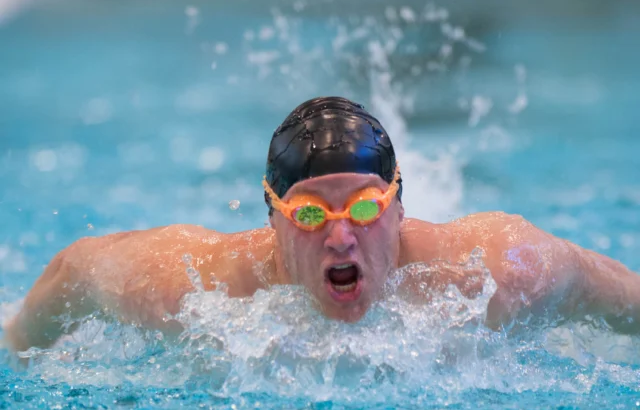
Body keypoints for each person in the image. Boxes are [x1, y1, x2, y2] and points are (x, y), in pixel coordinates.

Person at [4, 96, 640, 352]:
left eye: (364, 207)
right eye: (310, 212)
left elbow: (606, 287)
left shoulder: (495, 272)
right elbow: (74, 270)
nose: (342, 237)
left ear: (397, 206)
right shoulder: (194, 289)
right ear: (273, 220)